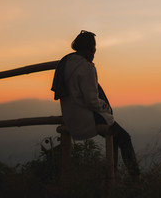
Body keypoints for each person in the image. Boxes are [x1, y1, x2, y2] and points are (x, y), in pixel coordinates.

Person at [51, 30, 140, 177]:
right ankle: (136, 179)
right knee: (124, 138)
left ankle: (112, 176)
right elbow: (91, 101)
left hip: (69, 115)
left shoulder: (66, 62)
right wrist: (106, 107)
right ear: (91, 47)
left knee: (115, 139)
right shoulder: (86, 67)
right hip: (85, 117)